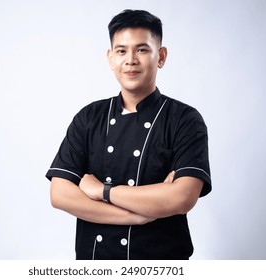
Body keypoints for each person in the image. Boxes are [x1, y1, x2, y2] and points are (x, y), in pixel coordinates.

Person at [46, 9, 212, 260]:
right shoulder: (89, 117)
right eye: (121, 51)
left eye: (142, 49)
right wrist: (138, 215)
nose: (131, 59)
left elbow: (182, 197)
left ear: (161, 56)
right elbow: (60, 194)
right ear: (110, 58)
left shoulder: (184, 119)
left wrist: (103, 191)